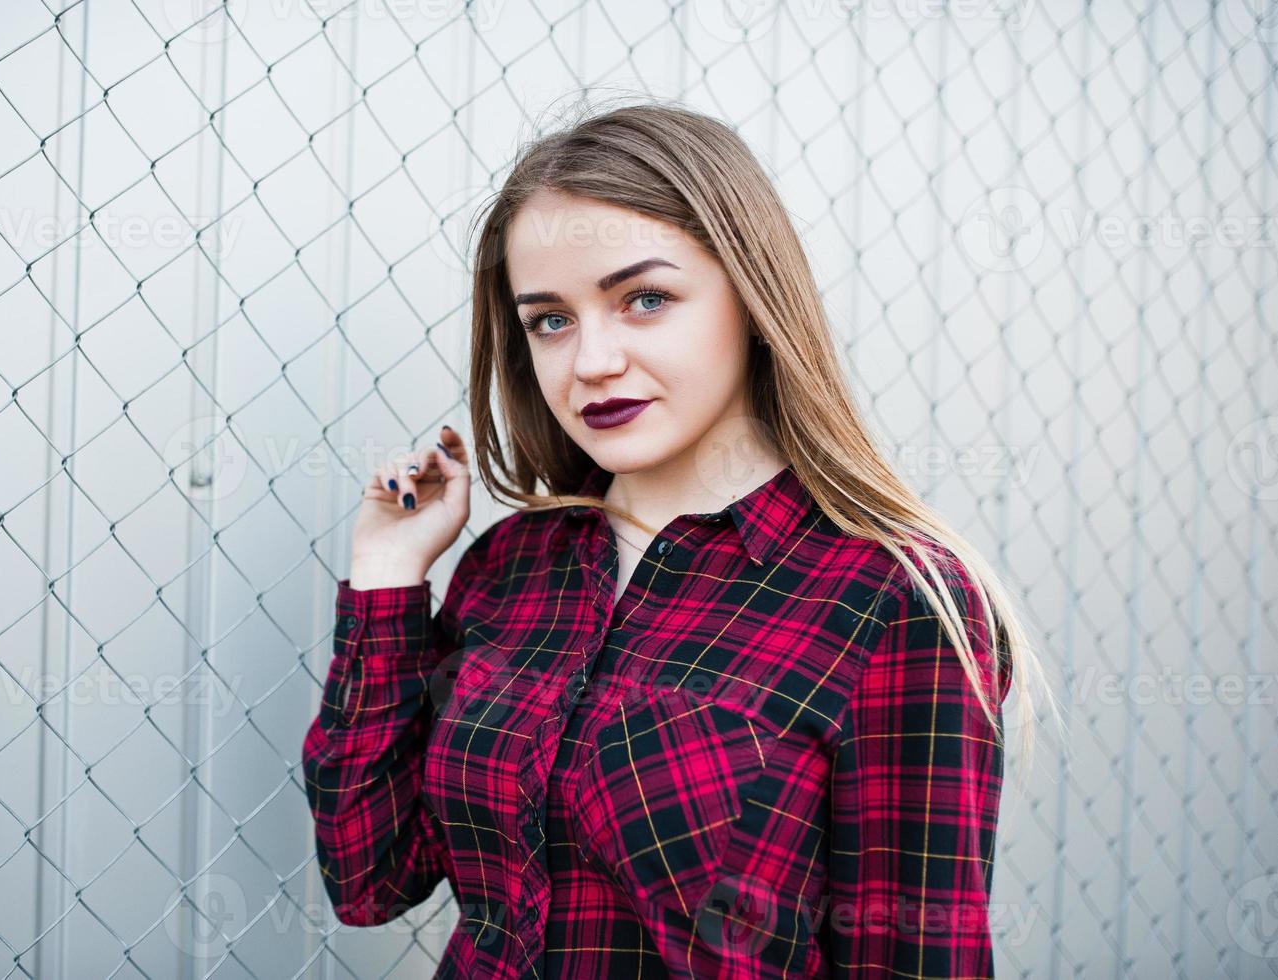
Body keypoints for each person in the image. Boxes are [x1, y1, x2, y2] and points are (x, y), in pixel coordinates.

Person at [301, 98, 1059, 979]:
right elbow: (367, 878)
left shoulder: (888, 599)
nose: (590, 361)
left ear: (749, 295)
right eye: (550, 319)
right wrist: (388, 576)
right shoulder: (509, 570)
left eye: (644, 300)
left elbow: (914, 958)